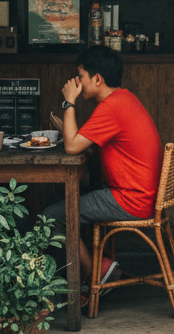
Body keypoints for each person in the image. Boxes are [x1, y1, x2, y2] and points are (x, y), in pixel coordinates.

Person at [44, 46, 163, 285]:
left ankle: (94, 272)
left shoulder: (111, 107)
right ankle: (97, 267)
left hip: (130, 200)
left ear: (97, 79)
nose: (77, 82)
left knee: (51, 216)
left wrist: (69, 102)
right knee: (70, 201)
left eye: (80, 76)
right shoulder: (124, 99)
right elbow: (85, 144)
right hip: (139, 195)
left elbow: (71, 147)